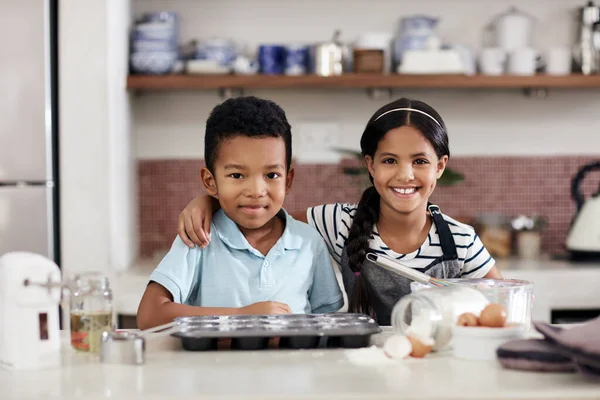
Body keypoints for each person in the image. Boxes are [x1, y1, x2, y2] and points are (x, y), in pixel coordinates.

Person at [175, 97, 503, 326]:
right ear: (370, 165)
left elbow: (502, 310)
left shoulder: (461, 240)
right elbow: (266, 215)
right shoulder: (337, 222)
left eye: (420, 161)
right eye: (390, 160)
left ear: (440, 166)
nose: (405, 174)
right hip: (363, 368)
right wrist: (209, 201)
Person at [137, 96, 344, 329]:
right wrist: (241, 316)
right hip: (214, 366)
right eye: (237, 175)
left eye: (271, 175)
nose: (256, 191)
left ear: (288, 179)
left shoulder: (309, 242)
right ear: (210, 181)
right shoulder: (199, 237)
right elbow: (150, 315)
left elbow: (325, 325)